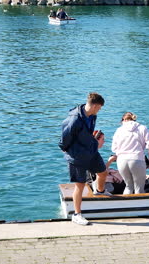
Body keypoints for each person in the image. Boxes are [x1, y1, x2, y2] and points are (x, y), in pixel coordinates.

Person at [59, 93, 112, 226]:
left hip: (91, 151)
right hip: (77, 156)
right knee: (80, 185)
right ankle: (77, 215)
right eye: (99, 108)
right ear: (94, 105)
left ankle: (99, 192)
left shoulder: (93, 115)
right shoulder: (74, 119)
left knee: (103, 172)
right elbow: (64, 138)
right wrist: (67, 149)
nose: (99, 110)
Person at [111, 112, 149, 194]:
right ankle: (139, 206)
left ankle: (125, 206)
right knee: (139, 188)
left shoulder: (119, 130)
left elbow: (114, 148)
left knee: (128, 186)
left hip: (122, 161)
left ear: (123, 120)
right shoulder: (142, 128)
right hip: (137, 159)